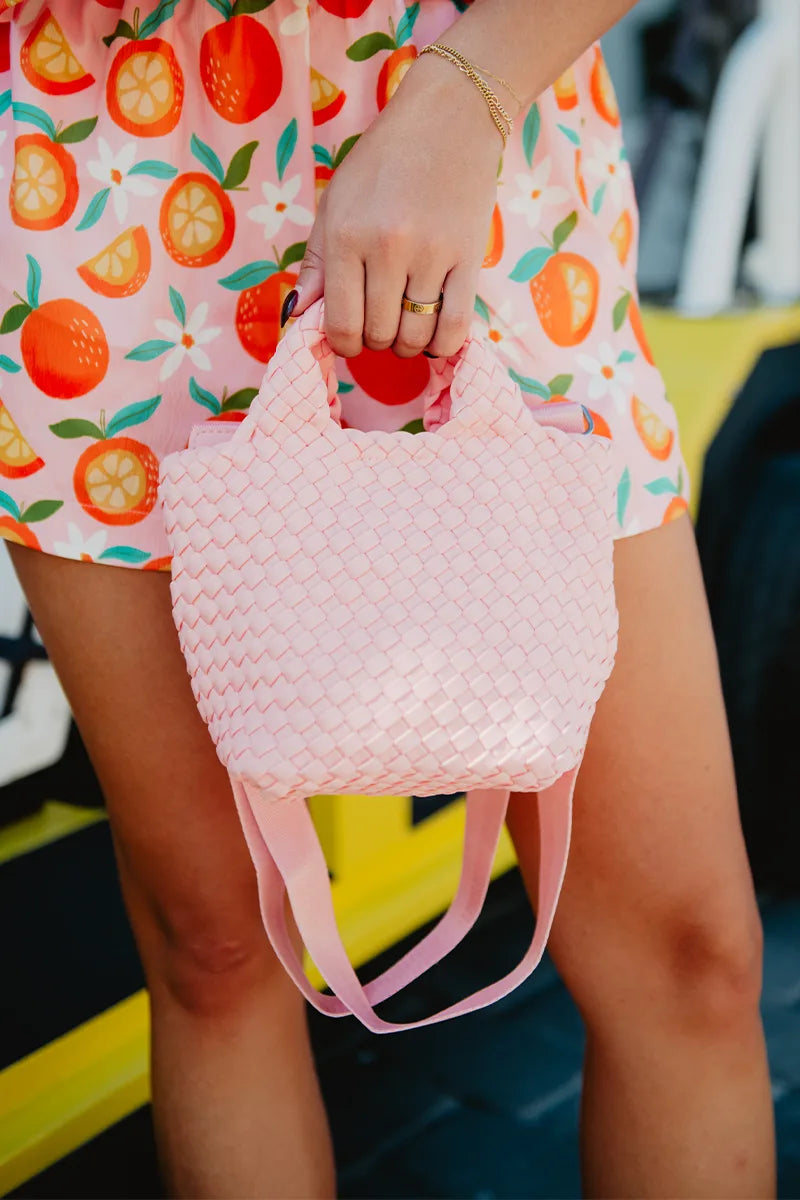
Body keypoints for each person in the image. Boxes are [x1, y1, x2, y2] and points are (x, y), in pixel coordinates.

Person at [0, 0, 775, 1194]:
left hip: (476, 151)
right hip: (109, 202)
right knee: (214, 953)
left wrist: (466, 96)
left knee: (687, 955)